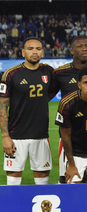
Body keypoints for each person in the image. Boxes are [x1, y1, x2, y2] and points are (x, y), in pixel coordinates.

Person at [49, 36, 87, 184]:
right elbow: (46, 96)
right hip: (70, 136)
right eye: (80, 46)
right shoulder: (61, 73)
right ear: (72, 50)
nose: (85, 48)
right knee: (69, 180)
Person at [0, 37, 54, 185]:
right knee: (13, 183)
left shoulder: (48, 71)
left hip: (41, 136)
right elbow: (2, 106)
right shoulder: (11, 74)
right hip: (16, 136)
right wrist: (5, 136)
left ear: (42, 52)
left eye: (38, 49)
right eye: (30, 49)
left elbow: (52, 91)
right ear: (23, 52)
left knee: (43, 184)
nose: (34, 52)